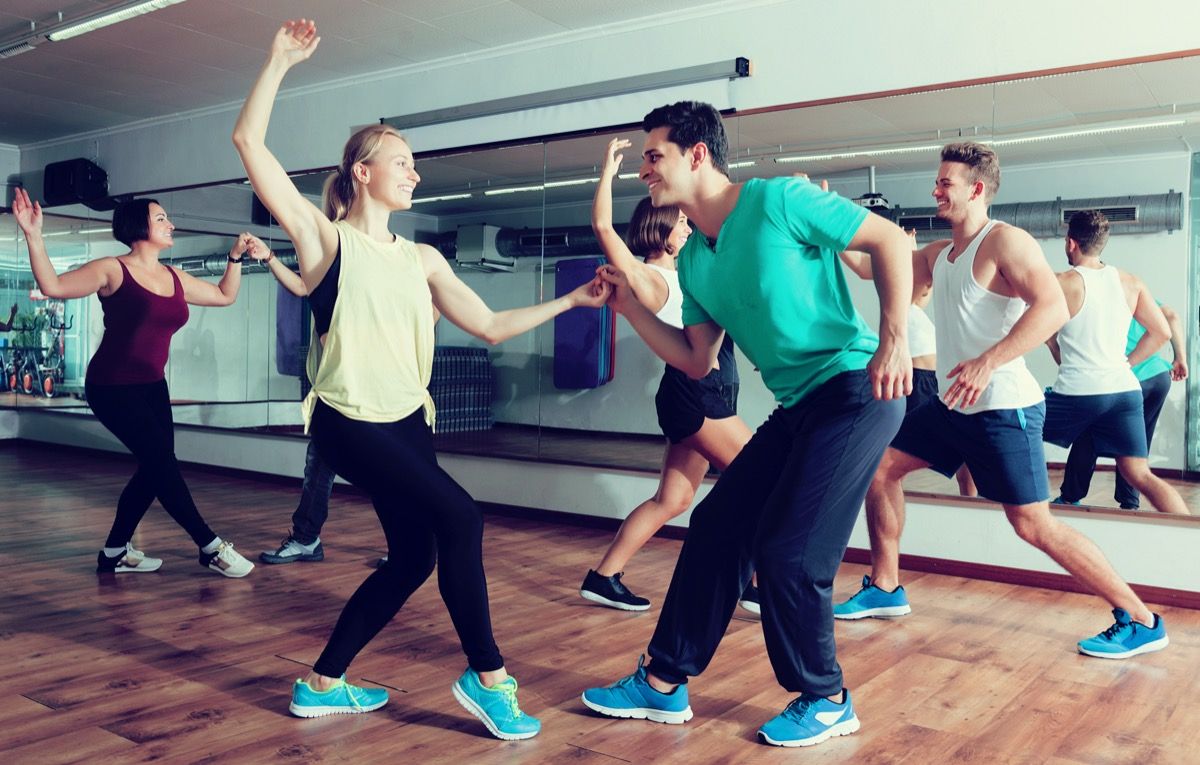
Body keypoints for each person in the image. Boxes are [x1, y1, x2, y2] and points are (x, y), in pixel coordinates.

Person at [233, 18, 609, 738]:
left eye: (415, 163)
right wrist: (278, 60)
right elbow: (250, 144)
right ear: (362, 173)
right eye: (400, 161)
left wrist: (571, 299)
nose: (414, 171)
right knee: (463, 517)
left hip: (408, 421)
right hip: (349, 420)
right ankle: (489, 676)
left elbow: (490, 326)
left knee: (413, 556)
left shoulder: (424, 259)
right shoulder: (326, 240)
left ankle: (322, 682)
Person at [582, 101, 913, 749]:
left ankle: (826, 696)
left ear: (697, 154)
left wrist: (894, 336)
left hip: (855, 391)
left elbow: (890, 239)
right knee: (715, 524)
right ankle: (662, 681)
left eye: (655, 156)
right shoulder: (697, 262)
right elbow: (695, 358)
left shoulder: (778, 200)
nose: (645, 170)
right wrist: (628, 310)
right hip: (798, 407)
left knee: (789, 550)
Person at [834, 143, 1169, 661]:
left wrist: (989, 361)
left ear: (977, 189)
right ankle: (885, 585)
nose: (936, 190)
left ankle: (1142, 618)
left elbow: (1053, 306)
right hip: (954, 405)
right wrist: (820, 220)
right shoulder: (940, 254)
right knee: (879, 470)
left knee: (1033, 524)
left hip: (1003, 407)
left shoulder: (1005, 242)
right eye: (938, 181)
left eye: (946, 182)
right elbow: (867, 267)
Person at [12, 188, 257, 578]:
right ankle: (210, 546)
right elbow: (53, 287)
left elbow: (225, 295)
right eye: (161, 218)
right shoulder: (112, 269)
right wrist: (33, 235)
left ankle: (114, 552)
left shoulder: (174, 276)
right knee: (161, 463)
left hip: (152, 385)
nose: (170, 224)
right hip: (112, 385)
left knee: (154, 467)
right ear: (138, 226)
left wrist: (235, 258)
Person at [579, 137, 753, 613]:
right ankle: (754, 582)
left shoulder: (692, 270)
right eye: (679, 223)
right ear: (661, 229)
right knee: (760, 480)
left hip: (701, 395)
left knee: (673, 498)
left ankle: (603, 576)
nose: (686, 227)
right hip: (698, 395)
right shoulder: (652, 277)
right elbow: (601, 226)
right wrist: (607, 174)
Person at [1041, 211, 1189, 516]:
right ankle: (1190, 531)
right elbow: (1161, 331)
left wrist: (1051, 342)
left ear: (1071, 243)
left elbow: (1038, 334)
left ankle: (1013, 514)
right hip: (1124, 391)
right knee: (1140, 473)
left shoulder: (1061, 283)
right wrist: (1126, 363)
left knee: (1011, 428)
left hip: (1078, 394)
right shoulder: (1130, 282)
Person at [839, 228, 977, 497]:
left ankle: (970, 498)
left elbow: (914, 298)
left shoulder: (925, 269)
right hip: (912, 372)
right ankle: (883, 491)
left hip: (930, 374)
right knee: (889, 449)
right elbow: (860, 265)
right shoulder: (903, 275)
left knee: (961, 445)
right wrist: (829, 227)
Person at [1056, 296, 1188, 509]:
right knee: (1137, 442)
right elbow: (1171, 315)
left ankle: (1070, 496)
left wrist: (1051, 342)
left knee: (1087, 436)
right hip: (1158, 376)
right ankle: (1129, 503)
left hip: (1128, 379)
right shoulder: (1131, 291)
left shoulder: (1090, 300)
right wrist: (1180, 357)